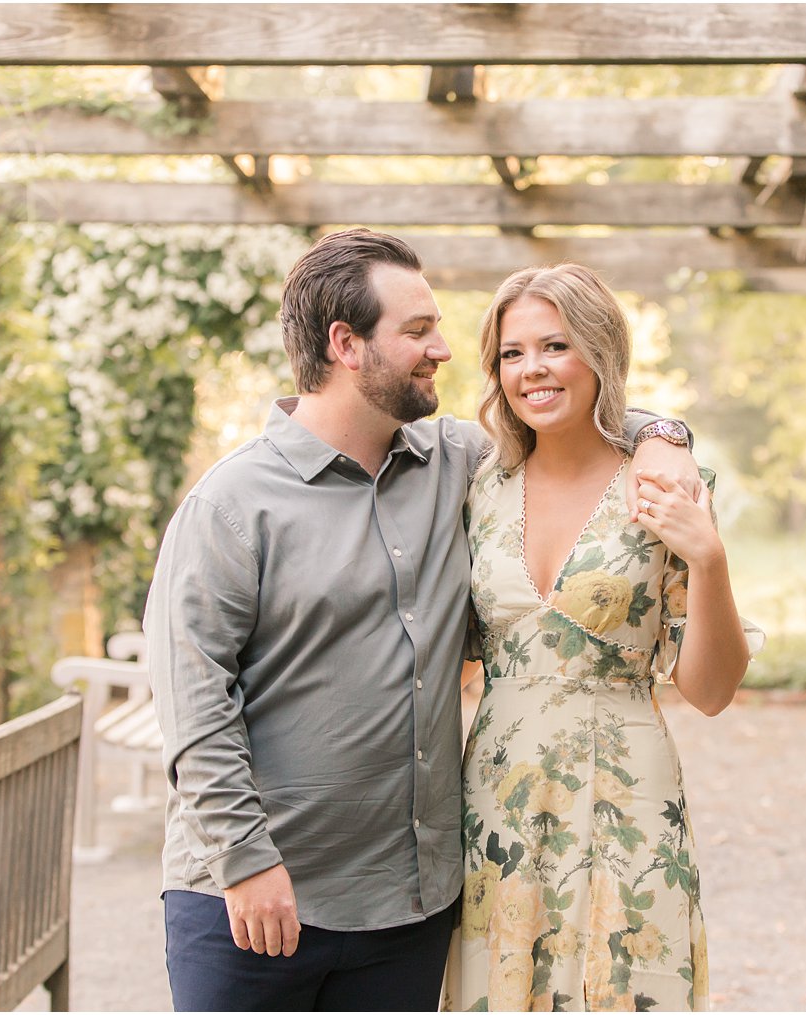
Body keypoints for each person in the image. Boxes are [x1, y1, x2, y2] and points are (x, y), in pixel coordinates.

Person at [145, 229, 702, 1012]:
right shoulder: (232, 505)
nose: (443, 348)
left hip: (407, 912)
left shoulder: (459, 465)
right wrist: (242, 861)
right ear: (346, 344)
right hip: (254, 904)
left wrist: (664, 434)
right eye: (417, 331)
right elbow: (192, 703)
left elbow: (574, 413)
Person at [444, 264, 763, 1012]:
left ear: (599, 353)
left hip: (628, 787)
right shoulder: (477, 482)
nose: (533, 370)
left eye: (555, 345)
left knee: (625, 984)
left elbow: (711, 692)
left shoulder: (663, 485)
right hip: (499, 789)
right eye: (511, 353)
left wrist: (708, 558)